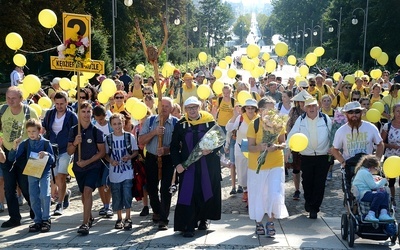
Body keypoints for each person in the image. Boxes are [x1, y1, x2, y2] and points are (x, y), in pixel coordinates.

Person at [171, 96, 222, 237]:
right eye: (189, 108)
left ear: (199, 107)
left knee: (205, 191)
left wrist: (211, 149)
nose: (192, 110)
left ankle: (203, 219)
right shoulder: (181, 125)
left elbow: (220, 141)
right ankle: (188, 225)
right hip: (188, 167)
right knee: (188, 194)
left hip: (207, 165)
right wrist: (178, 165)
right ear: (185, 110)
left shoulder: (209, 122)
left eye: (194, 107)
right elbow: (174, 147)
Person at [247, 98, 289, 237]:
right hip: (256, 166)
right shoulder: (254, 124)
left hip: (276, 163)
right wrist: (261, 147)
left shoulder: (278, 123)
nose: (272, 112)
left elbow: (283, 143)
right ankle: (258, 222)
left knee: (274, 193)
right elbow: (250, 147)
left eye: (274, 109)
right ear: (260, 111)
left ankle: (270, 222)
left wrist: (276, 146)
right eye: (269, 109)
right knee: (258, 194)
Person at [286, 97, 332, 219]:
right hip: (306, 156)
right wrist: (287, 150)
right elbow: (291, 136)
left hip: (323, 157)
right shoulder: (300, 120)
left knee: (319, 183)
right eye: (309, 106)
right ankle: (309, 201)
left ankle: (314, 208)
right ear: (305, 108)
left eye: (313, 106)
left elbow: (333, 135)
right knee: (307, 182)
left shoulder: (326, 119)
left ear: (318, 107)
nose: (311, 108)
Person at [0, 86, 38, 228]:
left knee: (27, 187)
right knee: (9, 189)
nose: (10, 101)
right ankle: (14, 218)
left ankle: (35, 213)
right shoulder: (2, 110)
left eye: (13, 98)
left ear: (21, 98)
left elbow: (38, 134)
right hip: (7, 154)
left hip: (25, 155)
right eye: (8, 98)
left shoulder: (29, 112)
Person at [138, 97, 178, 230]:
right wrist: (154, 132)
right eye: (162, 105)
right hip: (151, 157)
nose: (164, 108)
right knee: (151, 188)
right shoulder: (150, 121)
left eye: (167, 106)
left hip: (168, 159)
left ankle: (163, 219)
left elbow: (180, 145)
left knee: (166, 189)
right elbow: (141, 140)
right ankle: (156, 210)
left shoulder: (176, 123)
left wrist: (167, 149)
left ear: (171, 108)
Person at [67, 101, 106, 235]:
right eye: (83, 112)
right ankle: (88, 216)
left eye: (88, 112)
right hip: (78, 168)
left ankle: (84, 224)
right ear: (78, 113)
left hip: (93, 166)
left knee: (88, 191)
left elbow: (102, 152)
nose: (86, 115)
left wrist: (88, 161)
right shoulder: (73, 130)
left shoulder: (96, 131)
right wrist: (75, 143)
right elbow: (69, 151)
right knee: (84, 194)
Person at [10, 118, 54, 232]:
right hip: (32, 171)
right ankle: (37, 220)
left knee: (45, 194)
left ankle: (46, 219)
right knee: (33, 196)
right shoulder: (25, 143)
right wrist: (14, 147)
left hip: (44, 171)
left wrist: (46, 154)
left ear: (40, 131)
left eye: (33, 131)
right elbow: (12, 158)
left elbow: (53, 159)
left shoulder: (45, 143)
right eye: (29, 132)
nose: (31, 134)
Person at [331, 101, 384, 187]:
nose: (354, 115)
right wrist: (343, 162)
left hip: (368, 165)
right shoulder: (341, 131)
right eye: (350, 112)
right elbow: (334, 149)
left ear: (361, 113)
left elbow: (380, 144)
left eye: (357, 112)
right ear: (346, 114)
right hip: (350, 166)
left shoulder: (370, 127)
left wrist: (377, 160)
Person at [42, 91, 78, 216]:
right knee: (55, 177)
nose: (59, 106)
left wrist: (73, 146)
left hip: (66, 149)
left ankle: (60, 204)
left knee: (61, 176)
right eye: (57, 103)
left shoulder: (72, 116)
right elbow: (45, 128)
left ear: (66, 103)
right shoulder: (50, 114)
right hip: (52, 149)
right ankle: (66, 193)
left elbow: (76, 131)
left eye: (61, 103)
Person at [104, 113, 138, 230]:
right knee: (116, 194)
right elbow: (106, 155)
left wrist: (129, 157)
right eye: (114, 124)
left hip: (127, 170)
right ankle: (119, 218)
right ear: (111, 125)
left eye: (119, 123)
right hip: (114, 171)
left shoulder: (129, 136)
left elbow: (135, 151)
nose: (117, 126)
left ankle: (128, 217)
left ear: (123, 123)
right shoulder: (108, 138)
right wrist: (111, 161)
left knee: (127, 193)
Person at [226, 99, 260, 203]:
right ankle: (245, 189)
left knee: (254, 170)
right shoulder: (240, 118)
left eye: (252, 108)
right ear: (244, 109)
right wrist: (234, 116)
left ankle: (252, 193)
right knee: (241, 171)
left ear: (256, 109)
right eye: (248, 108)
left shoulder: (258, 119)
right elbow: (229, 128)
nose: (250, 110)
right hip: (241, 147)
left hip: (254, 148)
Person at [286, 90, 311, 200]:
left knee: (306, 168)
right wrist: (289, 141)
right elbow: (288, 125)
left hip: (308, 143)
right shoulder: (293, 111)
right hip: (296, 143)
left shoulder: (311, 111)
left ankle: (307, 189)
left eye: (304, 101)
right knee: (296, 169)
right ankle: (297, 190)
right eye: (301, 101)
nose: (303, 103)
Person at [352, 155, 393, 222]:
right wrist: (384, 180)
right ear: (372, 167)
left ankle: (383, 213)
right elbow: (373, 186)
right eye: (376, 168)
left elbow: (370, 183)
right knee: (380, 195)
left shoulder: (363, 171)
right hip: (363, 193)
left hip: (366, 192)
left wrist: (377, 180)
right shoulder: (365, 173)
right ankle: (371, 214)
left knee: (385, 193)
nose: (376, 170)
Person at [92, 105, 113, 218]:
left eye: (102, 118)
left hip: (109, 156)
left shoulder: (110, 125)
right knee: (100, 182)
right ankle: (104, 204)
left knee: (106, 181)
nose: (100, 121)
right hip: (97, 157)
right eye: (97, 119)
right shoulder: (93, 126)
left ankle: (108, 205)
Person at [381, 103, 400, 208]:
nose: (399, 114)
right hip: (390, 158)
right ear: (394, 112)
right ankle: (392, 201)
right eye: (398, 111)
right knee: (390, 181)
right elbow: (381, 142)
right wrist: (391, 145)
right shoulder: (387, 126)